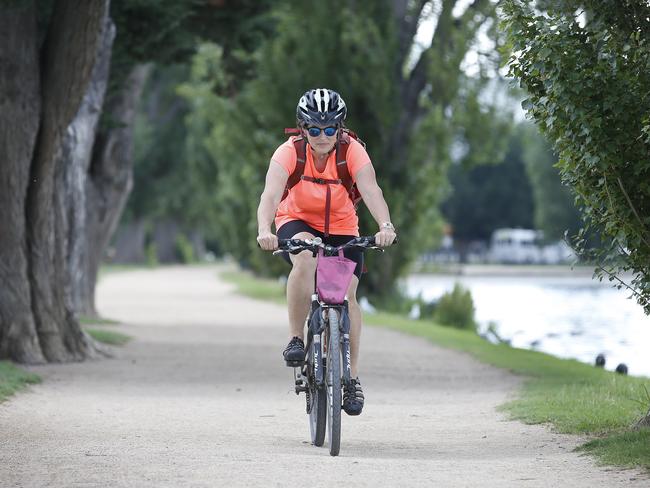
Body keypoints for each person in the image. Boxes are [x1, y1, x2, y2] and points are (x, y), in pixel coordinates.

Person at [256, 88, 396, 416]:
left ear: (341, 128)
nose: (322, 136)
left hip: (343, 227)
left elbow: (371, 190)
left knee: (348, 297)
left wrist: (385, 226)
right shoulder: (289, 152)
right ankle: (295, 338)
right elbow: (271, 194)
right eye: (315, 130)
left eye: (330, 129)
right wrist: (265, 230)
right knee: (305, 258)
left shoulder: (353, 152)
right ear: (302, 128)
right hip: (296, 220)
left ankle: (351, 378)